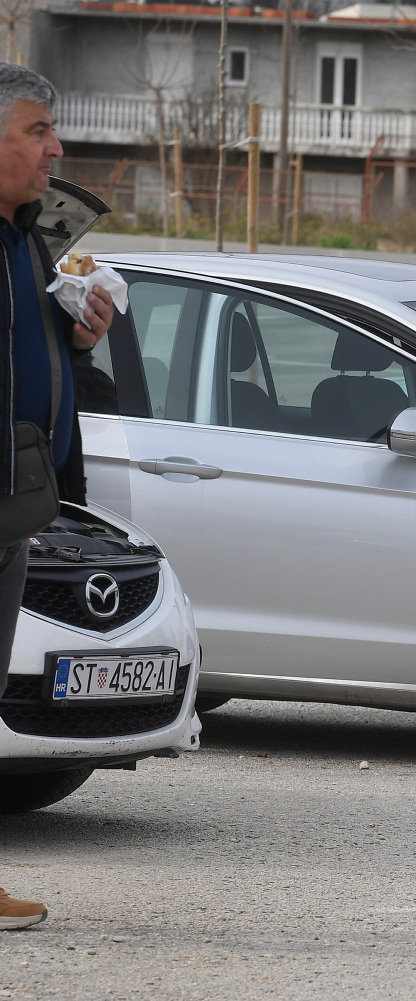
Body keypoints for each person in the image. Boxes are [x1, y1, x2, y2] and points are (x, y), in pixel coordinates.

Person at [0, 62, 115, 927]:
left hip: (20, 499)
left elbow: (39, 360)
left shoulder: (31, 238)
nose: (56, 146)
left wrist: (77, 335)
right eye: (39, 130)